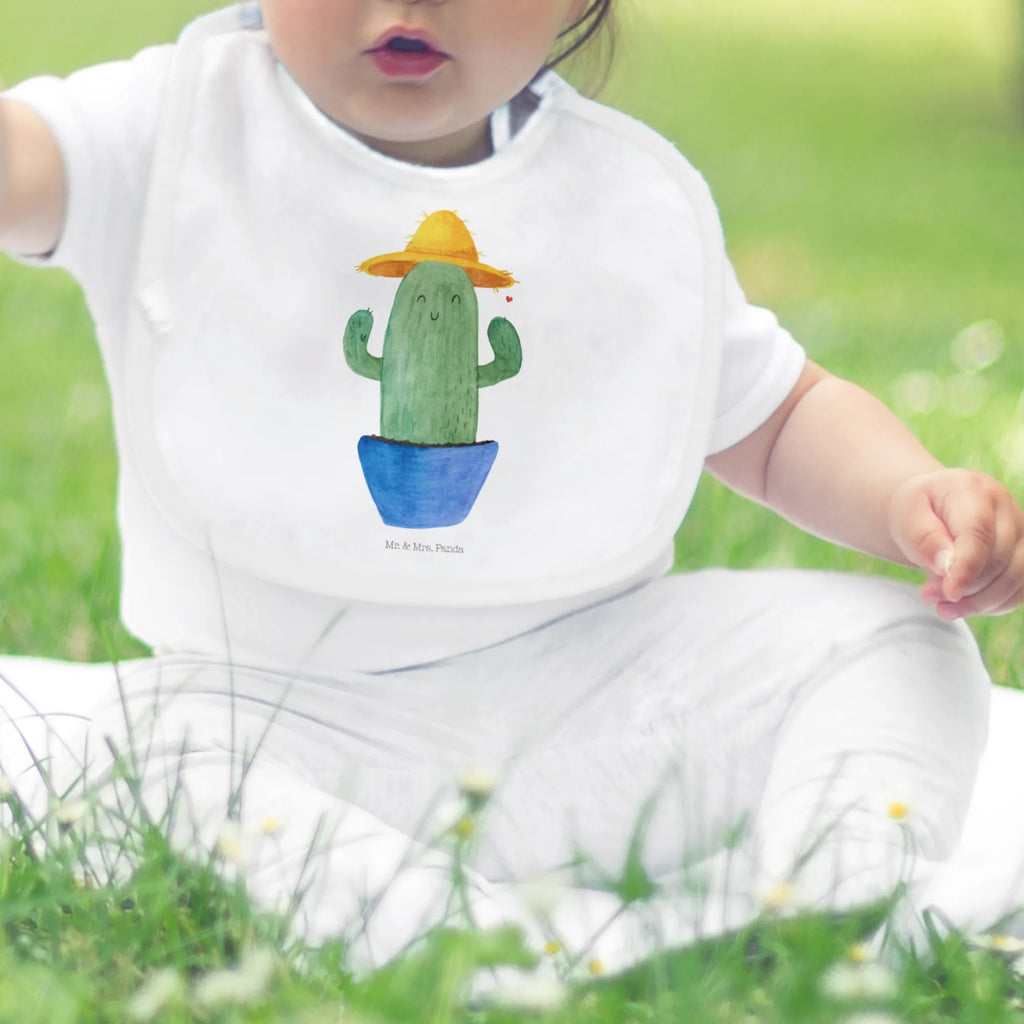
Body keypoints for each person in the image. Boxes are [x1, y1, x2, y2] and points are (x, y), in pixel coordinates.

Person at [1, 0, 1023, 979]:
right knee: (142, 757)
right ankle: (482, 948)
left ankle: (826, 895)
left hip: (598, 707)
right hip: (278, 719)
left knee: (896, 639)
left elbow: (781, 418)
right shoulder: (166, 130)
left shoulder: (617, 202)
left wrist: (908, 494)